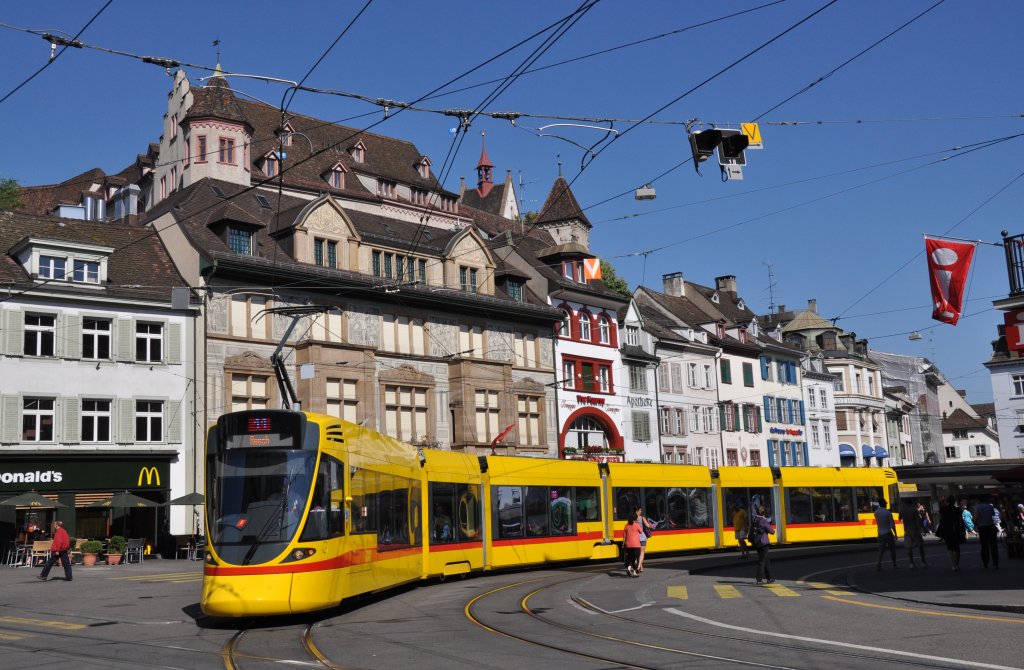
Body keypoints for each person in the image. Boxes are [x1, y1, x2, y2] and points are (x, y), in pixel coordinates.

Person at [937, 495, 967, 571]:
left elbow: (940, 520)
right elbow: (961, 520)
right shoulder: (957, 509)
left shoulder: (943, 509)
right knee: (956, 547)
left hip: (947, 529)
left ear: (947, 501)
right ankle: (957, 564)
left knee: (949, 547)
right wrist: (964, 530)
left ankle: (953, 565)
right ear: (954, 501)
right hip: (956, 530)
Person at [749, 505, 775, 585]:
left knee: (766, 560)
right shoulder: (763, 521)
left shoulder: (755, 519)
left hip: (757, 542)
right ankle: (759, 580)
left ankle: (769, 578)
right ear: (763, 513)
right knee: (762, 561)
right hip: (764, 543)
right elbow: (772, 531)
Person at [974, 494, 999, 570]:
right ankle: (995, 563)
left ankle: (985, 562)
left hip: (982, 527)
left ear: (979, 500)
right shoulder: (990, 506)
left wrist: (975, 521)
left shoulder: (977, 507)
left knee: (984, 546)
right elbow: (992, 514)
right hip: (991, 526)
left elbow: (976, 517)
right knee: (993, 546)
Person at [902, 500, 927, 568]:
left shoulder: (903, 510)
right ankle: (923, 562)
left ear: (905, 504)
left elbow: (900, 518)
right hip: (914, 530)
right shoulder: (914, 510)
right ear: (911, 503)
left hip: (907, 531)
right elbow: (917, 520)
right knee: (920, 546)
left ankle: (911, 563)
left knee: (909, 547)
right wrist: (920, 529)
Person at [874, 499, 898, 570]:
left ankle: (878, 564)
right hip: (888, 533)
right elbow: (892, 525)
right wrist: (895, 534)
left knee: (881, 550)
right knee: (892, 550)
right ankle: (894, 564)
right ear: (885, 504)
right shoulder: (888, 513)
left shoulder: (876, 513)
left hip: (880, 533)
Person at [634, 505, 655, 572]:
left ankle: (641, 567)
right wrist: (651, 525)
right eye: (640, 510)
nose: (641, 511)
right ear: (637, 511)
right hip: (642, 537)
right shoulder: (642, 518)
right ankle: (639, 566)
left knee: (637, 553)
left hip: (635, 537)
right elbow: (648, 526)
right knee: (642, 552)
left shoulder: (632, 518)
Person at [622, 513, 642, 577]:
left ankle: (629, 569)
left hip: (628, 545)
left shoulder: (626, 526)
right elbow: (641, 531)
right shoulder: (636, 525)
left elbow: (624, 536)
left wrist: (623, 543)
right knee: (635, 558)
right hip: (636, 545)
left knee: (630, 557)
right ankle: (634, 572)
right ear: (634, 519)